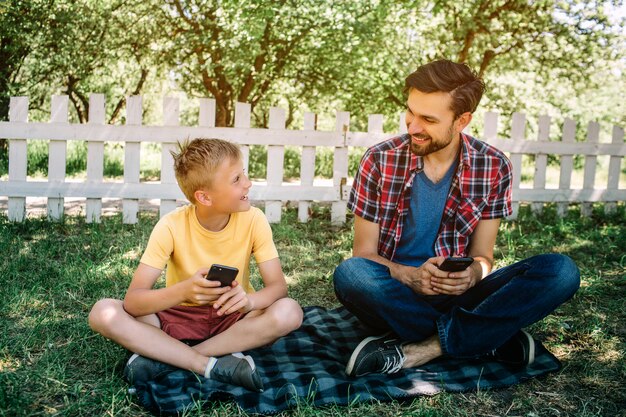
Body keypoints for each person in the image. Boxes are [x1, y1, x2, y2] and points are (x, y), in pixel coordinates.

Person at [333, 59, 580, 377]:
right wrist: (411, 277)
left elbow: (483, 256)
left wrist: (475, 273)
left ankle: (423, 349)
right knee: (351, 275)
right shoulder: (379, 160)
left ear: (462, 120)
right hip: (397, 295)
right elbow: (364, 255)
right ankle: (486, 337)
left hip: (461, 297)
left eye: (428, 119)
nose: (413, 127)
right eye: (411, 111)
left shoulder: (493, 165)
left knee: (561, 272)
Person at [89, 138, 303, 391]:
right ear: (204, 197)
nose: (248, 182)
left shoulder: (254, 220)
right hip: (175, 319)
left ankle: (169, 358)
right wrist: (184, 291)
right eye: (236, 179)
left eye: (243, 173)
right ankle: (206, 364)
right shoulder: (170, 226)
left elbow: (278, 288)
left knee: (290, 312)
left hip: (231, 318)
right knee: (102, 312)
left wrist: (248, 302)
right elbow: (133, 302)